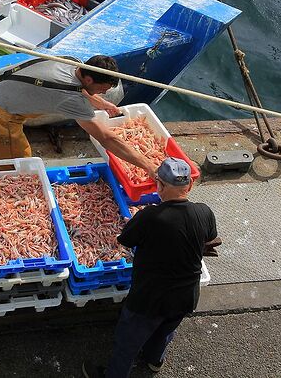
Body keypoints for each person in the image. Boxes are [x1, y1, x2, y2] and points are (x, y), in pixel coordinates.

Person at [82, 157, 219, 378]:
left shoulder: (150, 216)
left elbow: (125, 239)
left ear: (160, 186)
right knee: (165, 331)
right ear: (190, 186)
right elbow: (210, 238)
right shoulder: (204, 212)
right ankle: (154, 360)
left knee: (128, 342)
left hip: (150, 298)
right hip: (187, 295)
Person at [0, 55, 157, 177]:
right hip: (1, 111)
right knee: (19, 167)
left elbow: (79, 87)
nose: (104, 93)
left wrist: (102, 104)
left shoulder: (72, 62)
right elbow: (106, 137)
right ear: (89, 79)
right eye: (102, 89)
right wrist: (148, 165)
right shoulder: (71, 99)